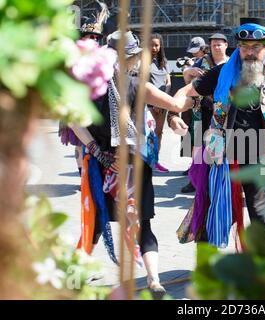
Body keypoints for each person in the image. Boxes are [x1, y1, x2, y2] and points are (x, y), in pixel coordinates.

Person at [71, 30, 193, 299]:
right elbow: (176, 104)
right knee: (144, 226)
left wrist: (96, 150)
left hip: (102, 165)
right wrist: (192, 86)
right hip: (135, 167)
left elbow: (73, 121)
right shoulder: (138, 85)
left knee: (94, 225)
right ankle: (154, 281)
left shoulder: (89, 86)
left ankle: (72, 279)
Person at [173, 17, 265, 249]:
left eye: (256, 47)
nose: (249, 52)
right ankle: (207, 267)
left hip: (260, 156)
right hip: (222, 156)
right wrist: (174, 114)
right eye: (244, 47)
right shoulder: (221, 73)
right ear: (237, 47)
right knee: (214, 210)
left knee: (261, 213)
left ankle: (263, 268)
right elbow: (185, 92)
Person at [168, 33, 230, 193]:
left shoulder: (231, 63)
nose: (216, 47)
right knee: (198, 144)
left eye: (219, 44)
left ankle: (216, 179)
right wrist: (189, 72)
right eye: (213, 44)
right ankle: (195, 179)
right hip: (200, 108)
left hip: (223, 110)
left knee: (218, 145)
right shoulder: (202, 61)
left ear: (226, 45)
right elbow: (188, 83)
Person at [58, 7, 109, 177]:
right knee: (79, 144)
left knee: (94, 143)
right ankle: (83, 176)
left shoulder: (101, 57)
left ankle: (91, 173)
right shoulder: (72, 57)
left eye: (96, 37)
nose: (94, 39)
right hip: (78, 106)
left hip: (97, 108)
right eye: (91, 36)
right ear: (83, 38)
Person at [148, 33, 171, 173]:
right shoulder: (142, 61)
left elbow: (168, 82)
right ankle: (147, 161)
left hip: (162, 102)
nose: (154, 48)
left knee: (159, 132)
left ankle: (156, 160)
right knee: (149, 133)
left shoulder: (164, 61)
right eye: (151, 45)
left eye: (156, 45)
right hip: (149, 103)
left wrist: (163, 100)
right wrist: (155, 101)